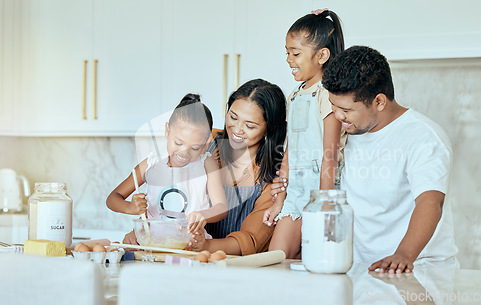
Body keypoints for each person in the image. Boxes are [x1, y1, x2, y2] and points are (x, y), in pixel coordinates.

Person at [322, 46, 458, 273]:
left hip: (418, 269)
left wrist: (404, 254)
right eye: (333, 106)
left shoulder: (424, 137)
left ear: (380, 101)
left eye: (346, 109)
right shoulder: (350, 132)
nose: (337, 116)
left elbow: (430, 202)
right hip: (360, 269)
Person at [262, 9, 347, 258]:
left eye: (295, 53)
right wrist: (280, 201)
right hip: (295, 195)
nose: (289, 59)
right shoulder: (296, 95)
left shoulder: (327, 95)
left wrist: (323, 206)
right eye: (287, 52)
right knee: (275, 259)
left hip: (323, 194)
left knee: (317, 263)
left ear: (322, 55)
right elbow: (291, 150)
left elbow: (330, 155)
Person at [186, 79, 287, 255]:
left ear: (269, 130)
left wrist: (205, 246)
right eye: (233, 117)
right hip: (184, 254)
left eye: (249, 126)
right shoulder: (204, 141)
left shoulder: (273, 179)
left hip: (235, 268)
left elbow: (251, 240)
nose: (237, 130)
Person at [106, 94, 228, 235]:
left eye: (195, 148)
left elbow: (221, 207)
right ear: (167, 131)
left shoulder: (206, 164)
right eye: (178, 143)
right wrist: (129, 207)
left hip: (191, 246)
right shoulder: (150, 164)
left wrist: (203, 215)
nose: (184, 152)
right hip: (152, 245)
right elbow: (112, 198)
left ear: (206, 142)